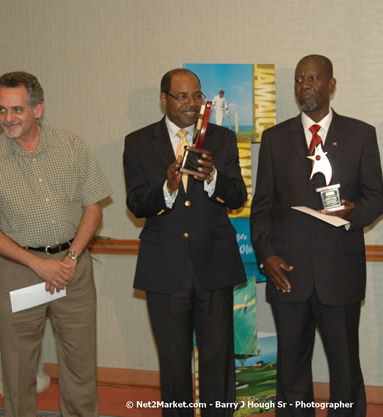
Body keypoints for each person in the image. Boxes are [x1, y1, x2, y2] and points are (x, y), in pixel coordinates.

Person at [0, 71, 112, 417]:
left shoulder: (72, 146)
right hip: (20, 271)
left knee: (80, 364)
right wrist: (37, 264)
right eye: (1, 110)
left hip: (72, 269)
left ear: (38, 109)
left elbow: (93, 207)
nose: (8, 119)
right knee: (17, 368)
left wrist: (71, 256)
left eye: (16, 110)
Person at [250, 55, 383, 417]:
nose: (304, 84)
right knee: (291, 370)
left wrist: (356, 212)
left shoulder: (360, 134)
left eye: (313, 78)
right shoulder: (275, 139)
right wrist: (267, 256)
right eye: (298, 79)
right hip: (288, 275)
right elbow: (261, 208)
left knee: (344, 370)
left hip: (339, 274)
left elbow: (378, 198)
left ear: (331, 85)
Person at [123, 68, 247, 416]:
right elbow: (135, 202)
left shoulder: (221, 139)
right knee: (174, 364)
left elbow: (238, 196)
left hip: (214, 265)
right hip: (164, 270)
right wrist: (168, 189)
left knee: (218, 360)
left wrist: (213, 178)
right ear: (164, 99)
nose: (192, 104)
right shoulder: (138, 142)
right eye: (182, 96)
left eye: (197, 96)